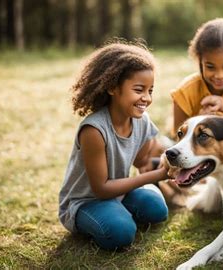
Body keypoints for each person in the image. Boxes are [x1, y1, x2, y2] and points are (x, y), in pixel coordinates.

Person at [59, 41, 169, 251]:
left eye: (150, 90)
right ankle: (104, 221)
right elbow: (101, 189)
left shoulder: (141, 120)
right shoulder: (94, 131)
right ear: (112, 87)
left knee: (157, 209)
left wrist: (165, 155)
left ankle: (115, 212)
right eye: (139, 90)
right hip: (86, 202)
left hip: (118, 193)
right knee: (121, 233)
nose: (146, 98)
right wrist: (156, 176)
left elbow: (141, 161)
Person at [159, 18, 223, 206]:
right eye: (210, 66)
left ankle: (190, 190)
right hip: (192, 153)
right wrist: (199, 118)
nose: (219, 75)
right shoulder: (185, 91)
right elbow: (177, 136)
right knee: (162, 150)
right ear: (200, 61)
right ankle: (176, 185)